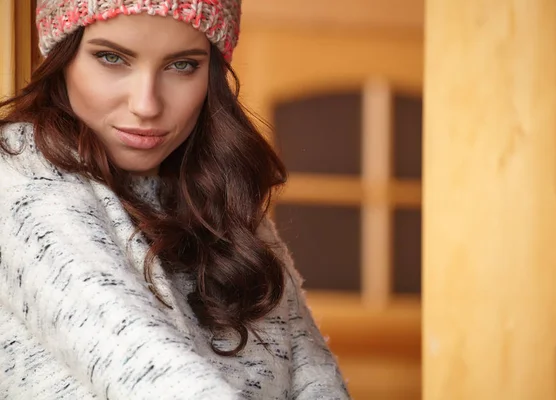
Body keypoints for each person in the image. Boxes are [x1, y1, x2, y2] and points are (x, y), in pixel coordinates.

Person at [0, 1, 350, 399]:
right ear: (60, 56)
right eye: (111, 58)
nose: (147, 105)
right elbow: (150, 372)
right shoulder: (20, 177)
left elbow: (314, 378)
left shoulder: (215, 198)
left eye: (182, 65)